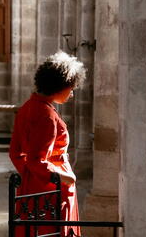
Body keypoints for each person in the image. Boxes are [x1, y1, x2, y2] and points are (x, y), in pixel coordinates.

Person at [9, 51, 86, 237]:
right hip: (51, 189)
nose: (72, 93)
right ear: (60, 85)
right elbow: (37, 160)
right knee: (51, 231)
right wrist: (65, 178)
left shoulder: (28, 106)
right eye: (71, 88)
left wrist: (28, 175)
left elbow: (15, 153)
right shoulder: (46, 115)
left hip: (33, 184)